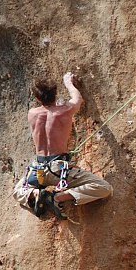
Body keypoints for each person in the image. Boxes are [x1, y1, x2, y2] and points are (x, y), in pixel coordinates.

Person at [13, 72, 112, 218]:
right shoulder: (64, 111)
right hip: (58, 172)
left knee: (17, 191)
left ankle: (35, 192)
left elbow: (47, 110)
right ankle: (60, 197)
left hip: (37, 171)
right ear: (55, 93)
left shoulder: (32, 113)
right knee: (104, 188)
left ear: (37, 98)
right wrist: (68, 83)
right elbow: (77, 98)